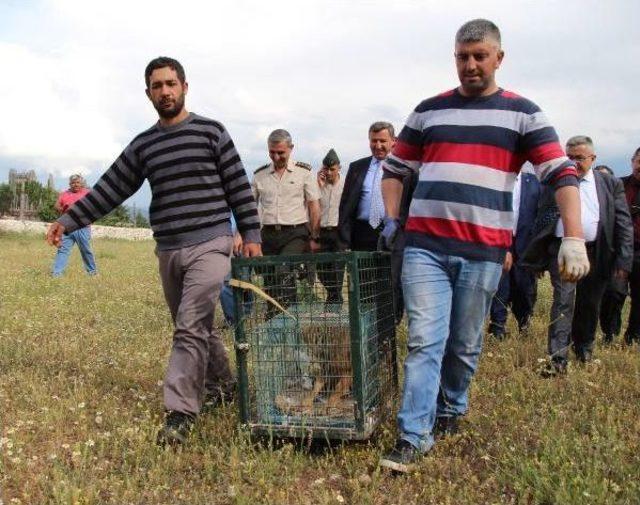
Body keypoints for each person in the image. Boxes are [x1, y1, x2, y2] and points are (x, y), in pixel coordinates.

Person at [377, 19, 589, 474]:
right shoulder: (428, 111)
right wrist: (394, 219)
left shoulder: (524, 114)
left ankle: (452, 407)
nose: (470, 65)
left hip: (484, 251)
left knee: (465, 343)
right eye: (462, 56)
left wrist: (572, 236)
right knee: (424, 340)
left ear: (498, 58)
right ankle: (413, 435)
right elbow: (394, 168)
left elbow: (561, 173)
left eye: (479, 56)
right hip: (425, 248)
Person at [46, 56, 262, 445]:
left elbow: (238, 185)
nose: (165, 91)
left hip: (211, 242)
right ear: (148, 93)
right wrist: (68, 221)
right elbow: (111, 187)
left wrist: (251, 234)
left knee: (189, 325)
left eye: (171, 84)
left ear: (184, 86)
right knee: (196, 325)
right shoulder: (144, 144)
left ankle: (180, 411)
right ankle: (224, 385)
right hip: (169, 248)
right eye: (157, 86)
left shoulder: (212, 132)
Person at [522, 136, 632, 374]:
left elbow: (623, 224)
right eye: (569, 157)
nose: (574, 162)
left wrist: (623, 260)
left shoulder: (610, 183)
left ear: (593, 158)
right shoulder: (555, 181)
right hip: (561, 251)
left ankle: (584, 350)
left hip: (596, 252)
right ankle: (557, 359)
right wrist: (539, 257)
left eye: (580, 158)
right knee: (563, 302)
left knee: (589, 304)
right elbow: (541, 219)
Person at [251, 129, 320, 311]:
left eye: (280, 152)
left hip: (295, 233)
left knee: (284, 270)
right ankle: (274, 316)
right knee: (270, 276)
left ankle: (287, 315)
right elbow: (250, 208)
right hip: (268, 234)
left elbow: (314, 206)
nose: (276, 156)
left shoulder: (303, 172)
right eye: (272, 152)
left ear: (291, 149)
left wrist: (314, 236)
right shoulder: (260, 175)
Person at [487, 171, 541, 338]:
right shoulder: (494, 180)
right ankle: (497, 328)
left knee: (525, 289)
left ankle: (524, 326)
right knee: (499, 287)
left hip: (526, 246)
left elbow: (540, 214)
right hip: (498, 243)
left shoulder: (534, 182)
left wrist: (539, 254)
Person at [598, 148, 640, 345]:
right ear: (632, 161)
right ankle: (609, 335)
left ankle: (633, 338)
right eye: (639, 161)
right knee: (613, 293)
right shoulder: (618, 185)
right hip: (620, 251)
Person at [338, 122, 395, 251]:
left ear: (393, 141)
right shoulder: (356, 168)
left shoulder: (403, 168)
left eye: (383, 141)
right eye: (374, 141)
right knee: (364, 271)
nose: (378, 146)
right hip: (362, 235)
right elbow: (345, 207)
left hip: (393, 235)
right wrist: (344, 242)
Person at [51, 174, 98, 277]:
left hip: (82, 227)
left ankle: (92, 273)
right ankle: (57, 274)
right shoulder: (64, 194)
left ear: (81, 183)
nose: (75, 185)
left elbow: (94, 206)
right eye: (73, 183)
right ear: (70, 184)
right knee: (62, 250)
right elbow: (57, 205)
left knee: (86, 251)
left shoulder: (87, 193)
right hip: (67, 227)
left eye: (77, 182)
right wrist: (64, 209)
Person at [316, 148, 346, 308]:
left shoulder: (345, 185)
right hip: (322, 232)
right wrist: (318, 186)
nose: (329, 172)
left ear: (338, 168)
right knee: (321, 270)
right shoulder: (319, 186)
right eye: (326, 169)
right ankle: (334, 298)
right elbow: (312, 207)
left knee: (337, 270)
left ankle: (334, 303)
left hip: (338, 232)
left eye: (332, 169)